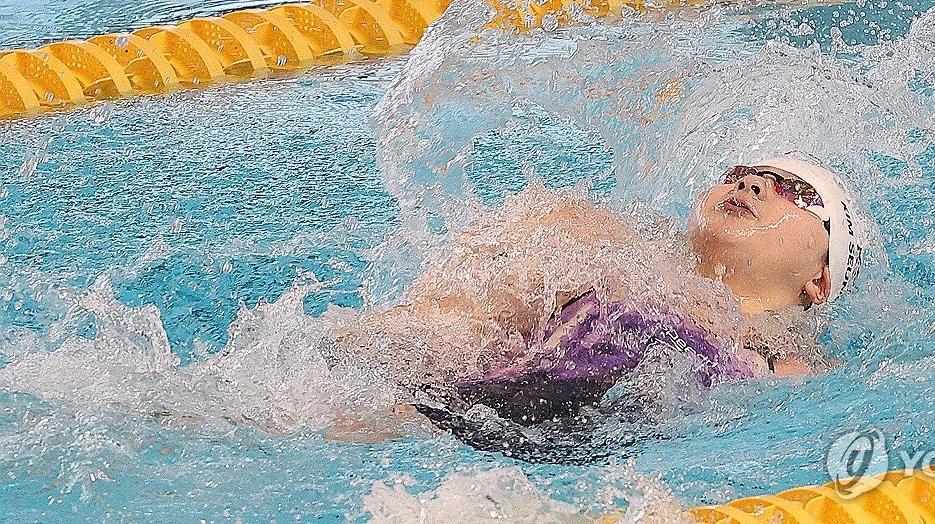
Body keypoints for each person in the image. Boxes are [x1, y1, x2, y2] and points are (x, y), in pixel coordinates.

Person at [323, 156, 867, 449]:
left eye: (794, 191)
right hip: (451, 399)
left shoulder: (797, 368)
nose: (751, 185)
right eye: (740, 175)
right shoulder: (598, 242)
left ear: (820, 280)